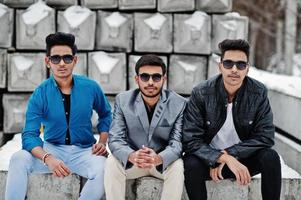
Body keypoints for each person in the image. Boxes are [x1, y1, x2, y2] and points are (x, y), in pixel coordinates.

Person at [5, 32, 112, 200]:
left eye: (67, 58)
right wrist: (48, 158)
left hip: (84, 151)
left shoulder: (91, 87)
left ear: (75, 60)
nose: (62, 63)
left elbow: (106, 114)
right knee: (18, 158)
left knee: (105, 168)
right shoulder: (40, 93)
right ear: (48, 62)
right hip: (51, 148)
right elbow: (29, 135)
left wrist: (102, 142)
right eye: (56, 58)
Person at [183, 39, 281, 200]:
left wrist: (231, 154)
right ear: (220, 66)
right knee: (189, 164)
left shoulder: (258, 92)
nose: (234, 70)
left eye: (241, 65)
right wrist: (220, 158)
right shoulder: (201, 92)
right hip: (209, 161)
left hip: (242, 161)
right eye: (228, 64)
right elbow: (191, 140)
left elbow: (265, 137)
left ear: (247, 69)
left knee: (270, 157)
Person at [104, 54, 186, 200]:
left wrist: (159, 158)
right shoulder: (123, 100)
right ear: (137, 79)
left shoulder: (179, 103)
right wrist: (131, 155)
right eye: (145, 77)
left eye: (156, 77)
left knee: (178, 165)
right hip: (134, 161)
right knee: (111, 162)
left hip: (161, 163)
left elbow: (177, 142)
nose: (150, 82)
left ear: (164, 79)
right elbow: (115, 138)